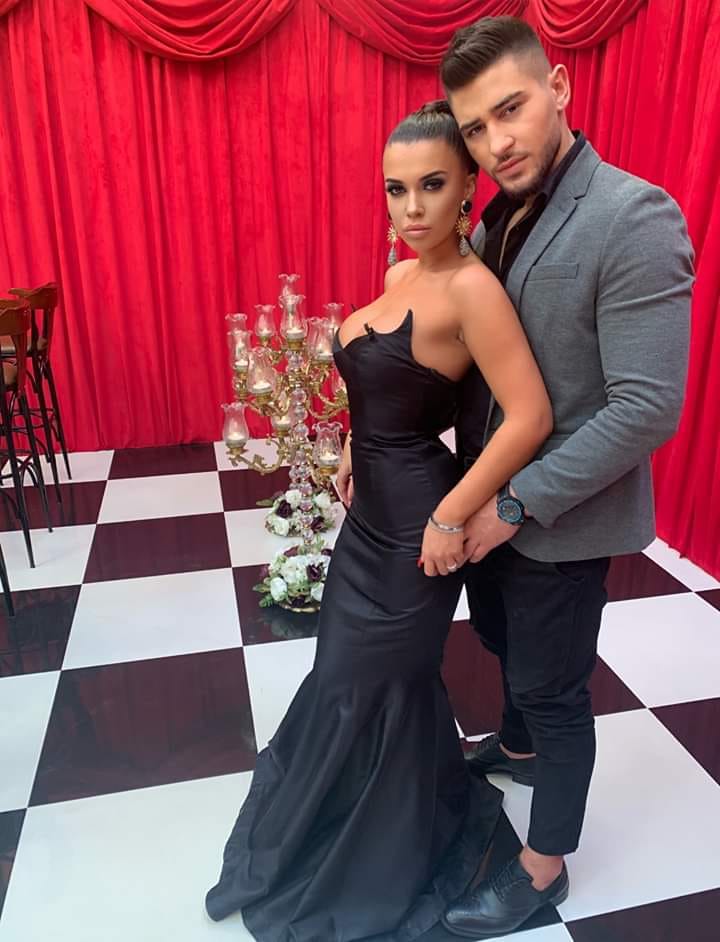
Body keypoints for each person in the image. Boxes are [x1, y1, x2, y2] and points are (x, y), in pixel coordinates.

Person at [205, 101, 552, 941]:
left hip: (419, 527)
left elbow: (530, 417)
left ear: (467, 186)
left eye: (432, 185)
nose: (412, 207)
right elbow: (386, 388)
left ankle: (383, 851)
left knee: (379, 683)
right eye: (396, 189)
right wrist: (359, 446)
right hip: (370, 519)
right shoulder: (403, 278)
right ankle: (356, 817)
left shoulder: (472, 289)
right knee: (343, 676)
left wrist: (452, 515)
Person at [435, 17, 694, 939]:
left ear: (559, 87)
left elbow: (646, 408)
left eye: (510, 109)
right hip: (491, 497)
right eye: (475, 127)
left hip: (560, 516)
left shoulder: (635, 215)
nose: (495, 143)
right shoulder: (497, 214)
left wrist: (513, 504)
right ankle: (514, 749)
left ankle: (543, 870)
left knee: (555, 689)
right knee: (502, 644)